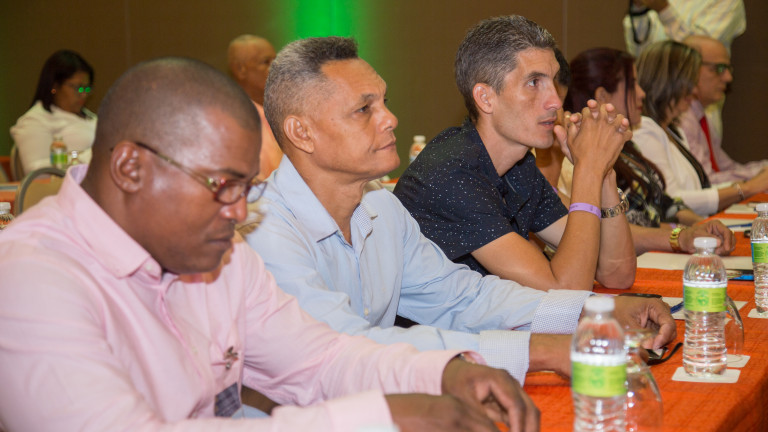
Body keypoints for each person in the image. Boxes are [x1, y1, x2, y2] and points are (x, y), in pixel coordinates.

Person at [0, 57, 542, 432]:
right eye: (222, 186)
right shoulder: (31, 278)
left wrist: (443, 371)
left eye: (246, 188)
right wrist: (383, 414)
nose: (239, 213)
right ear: (130, 168)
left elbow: (318, 358)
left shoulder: (218, 253)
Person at [243, 35, 675, 389]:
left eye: (385, 102)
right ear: (301, 132)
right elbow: (346, 348)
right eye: (364, 109)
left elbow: (463, 297)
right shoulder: (262, 232)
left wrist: (593, 311)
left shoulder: (380, 207)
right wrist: (544, 350)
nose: (390, 119)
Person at [395, 15, 636, 292]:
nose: (556, 101)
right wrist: (588, 169)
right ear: (486, 98)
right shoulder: (451, 173)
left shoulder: (519, 168)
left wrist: (604, 173)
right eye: (534, 82)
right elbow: (566, 289)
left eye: (553, 81)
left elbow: (616, 273)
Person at [562, 47, 734, 255]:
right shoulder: (576, 156)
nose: (642, 93)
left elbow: (664, 204)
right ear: (602, 96)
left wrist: (695, 228)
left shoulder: (627, 146)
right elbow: (615, 231)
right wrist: (682, 236)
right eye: (633, 84)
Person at [632, 40, 758, 216]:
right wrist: (747, 188)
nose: (694, 90)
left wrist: (748, 185)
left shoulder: (674, 131)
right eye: (689, 80)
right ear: (667, 80)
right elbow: (671, 200)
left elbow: (700, 189)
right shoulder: (644, 130)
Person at [679, 35, 768, 186]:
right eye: (719, 68)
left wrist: (762, 170)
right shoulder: (682, 119)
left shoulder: (702, 116)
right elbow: (706, 182)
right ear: (688, 69)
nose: (728, 78)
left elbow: (726, 168)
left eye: (728, 69)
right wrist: (757, 177)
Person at [10, 49, 97, 175]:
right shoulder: (35, 120)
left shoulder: (90, 117)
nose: (83, 94)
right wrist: (86, 157)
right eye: (77, 88)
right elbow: (37, 173)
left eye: (87, 88)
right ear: (55, 86)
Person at [227, 34, 282, 180]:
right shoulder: (232, 117)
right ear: (240, 70)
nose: (275, 67)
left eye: (275, 60)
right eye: (266, 62)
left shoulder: (282, 109)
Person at [622, 0, 745, 57]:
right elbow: (639, 55)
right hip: (652, 94)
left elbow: (700, 55)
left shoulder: (727, 2)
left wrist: (663, 10)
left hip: (695, 98)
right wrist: (639, 10)